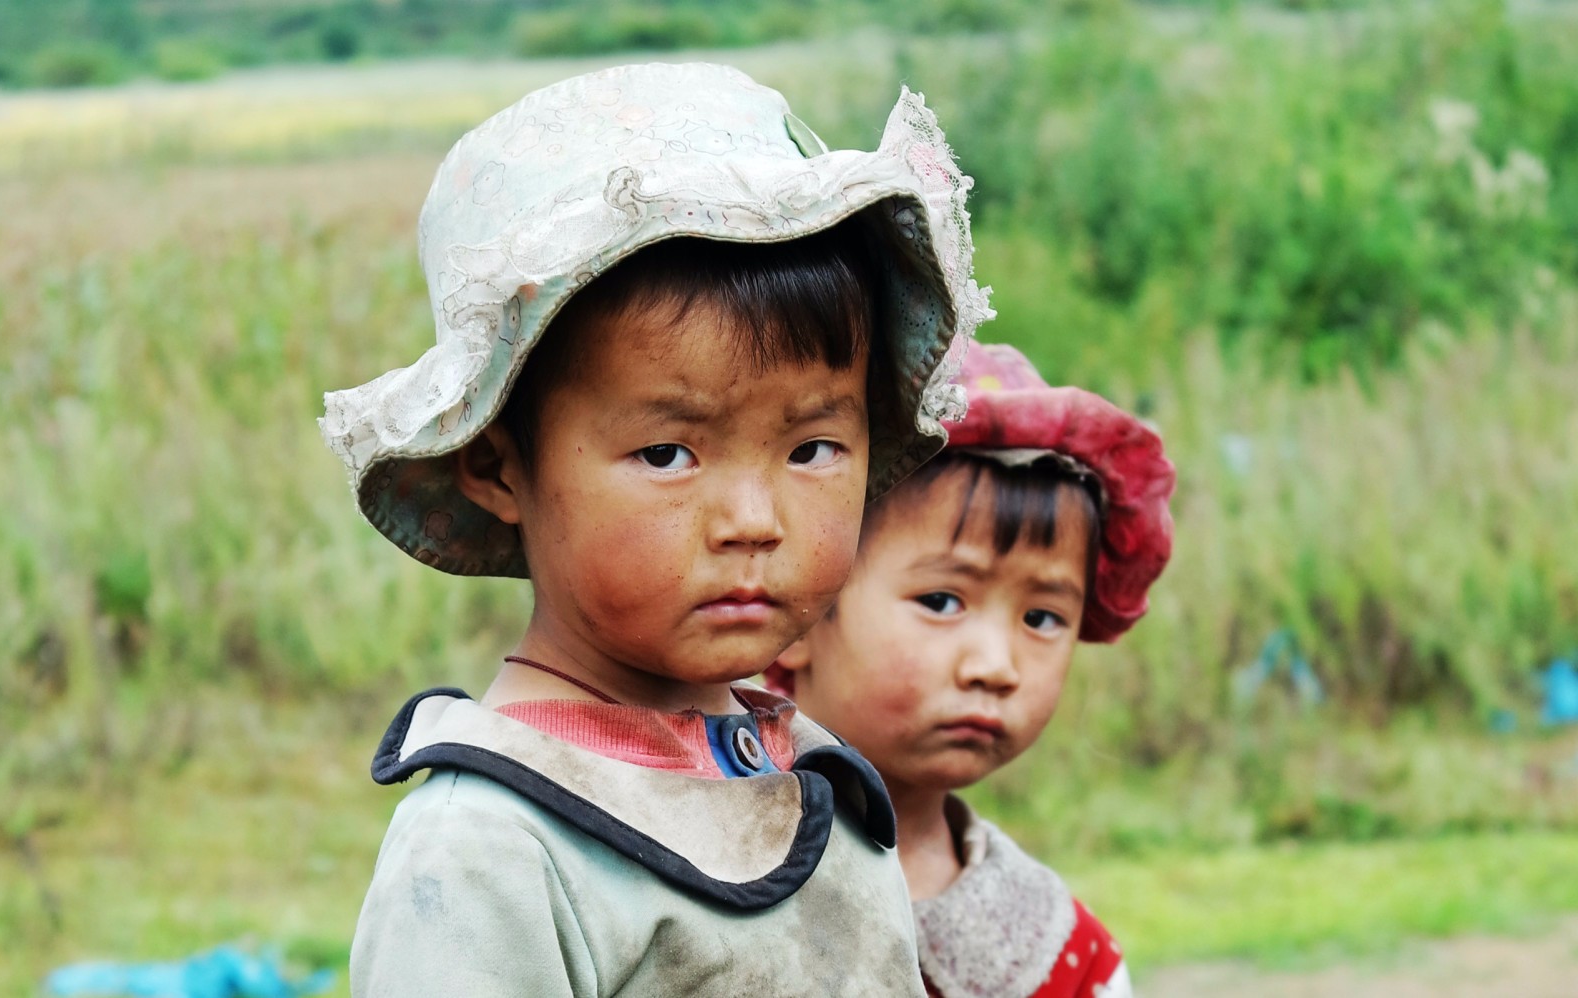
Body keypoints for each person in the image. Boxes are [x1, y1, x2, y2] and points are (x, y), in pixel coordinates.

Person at [317, 62, 991, 996]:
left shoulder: (811, 774)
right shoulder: (491, 850)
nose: (753, 521)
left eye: (811, 448)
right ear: (499, 466)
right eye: (668, 454)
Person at [769, 343, 1175, 998]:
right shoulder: (679, 861)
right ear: (800, 613)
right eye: (941, 601)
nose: (995, 666)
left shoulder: (1070, 960)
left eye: (1042, 617)